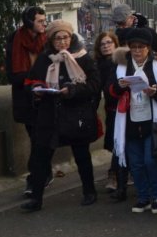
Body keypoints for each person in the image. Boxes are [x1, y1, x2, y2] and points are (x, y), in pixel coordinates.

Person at [21, 21, 101, 211]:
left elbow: (95, 84)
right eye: (58, 38)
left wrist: (73, 90)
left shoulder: (83, 58)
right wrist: (36, 89)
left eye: (65, 37)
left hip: (75, 113)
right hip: (50, 115)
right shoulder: (45, 59)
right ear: (51, 40)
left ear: (71, 38)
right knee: (41, 157)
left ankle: (89, 191)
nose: (62, 42)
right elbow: (30, 80)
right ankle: (36, 198)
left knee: (82, 155)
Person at [108, 28, 157, 213]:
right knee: (135, 163)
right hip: (129, 122)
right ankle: (142, 196)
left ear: (148, 48)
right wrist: (119, 87)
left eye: (141, 47)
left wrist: (156, 92)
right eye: (133, 47)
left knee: (150, 160)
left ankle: (156, 196)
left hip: (151, 121)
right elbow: (109, 91)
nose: (137, 51)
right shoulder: (121, 67)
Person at [6, 6, 47, 196]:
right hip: (26, 98)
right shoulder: (15, 40)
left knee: (41, 140)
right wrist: (32, 78)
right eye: (40, 21)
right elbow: (12, 75)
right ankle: (40, 176)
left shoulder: (46, 40)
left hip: (45, 96)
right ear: (30, 22)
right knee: (36, 139)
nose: (44, 24)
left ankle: (37, 178)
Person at [92, 31, 121, 192]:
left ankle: (115, 174)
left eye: (109, 42)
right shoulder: (98, 66)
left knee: (119, 143)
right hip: (111, 108)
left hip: (122, 107)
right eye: (102, 44)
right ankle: (117, 173)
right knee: (115, 143)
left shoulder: (121, 63)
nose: (106, 46)